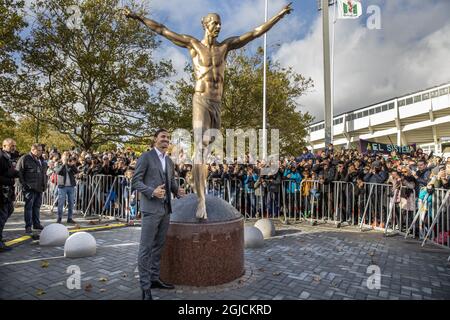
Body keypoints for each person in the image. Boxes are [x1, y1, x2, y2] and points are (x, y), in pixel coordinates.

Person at [123, 3, 292, 220]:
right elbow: (162, 30)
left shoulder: (225, 47)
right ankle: (201, 200)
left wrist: (278, 16)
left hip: (217, 103)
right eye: (214, 22)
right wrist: (138, 17)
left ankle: (196, 179)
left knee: (208, 149)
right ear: (205, 24)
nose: (218, 26)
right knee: (201, 145)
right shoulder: (193, 45)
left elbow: (254, 33)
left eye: (220, 23)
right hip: (200, 99)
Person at [131, 129, 186, 300]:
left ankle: (155, 279)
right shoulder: (146, 157)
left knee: (158, 247)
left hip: (165, 210)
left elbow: (170, 182)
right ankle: (145, 287)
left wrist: (178, 191)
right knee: (146, 248)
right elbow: (135, 181)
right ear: (155, 139)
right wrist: (151, 191)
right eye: (163, 137)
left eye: (168, 138)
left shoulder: (169, 161)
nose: (166, 140)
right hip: (150, 209)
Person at [16, 143, 47, 234]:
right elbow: (19, 172)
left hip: (39, 188)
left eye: (41, 150)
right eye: (39, 150)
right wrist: (23, 185)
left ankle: (36, 224)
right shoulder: (25, 158)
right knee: (29, 208)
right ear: (33, 150)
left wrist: (44, 185)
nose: (41, 152)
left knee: (37, 207)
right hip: (29, 188)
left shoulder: (41, 160)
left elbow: (43, 174)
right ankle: (28, 226)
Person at [0, 138, 19, 252]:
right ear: (4, 145)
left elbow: (9, 172)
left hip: (7, 193)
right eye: (12, 146)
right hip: (2, 193)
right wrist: (10, 180)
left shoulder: (8, 157)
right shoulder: (1, 157)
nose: (14, 148)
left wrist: (18, 173)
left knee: (9, 210)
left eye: (14, 146)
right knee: (2, 216)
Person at [54, 152, 78, 224]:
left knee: (71, 203)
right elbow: (58, 172)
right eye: (65, 157)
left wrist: (72, 165)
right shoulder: (58, 164)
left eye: (67, 156)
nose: (67, 158)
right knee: (61, 203)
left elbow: (76, 171)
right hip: (62, 186)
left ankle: (70, 218)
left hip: (71, 186)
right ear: (62, 157)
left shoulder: (70, 164)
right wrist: (64, 164)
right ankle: (59, 218)